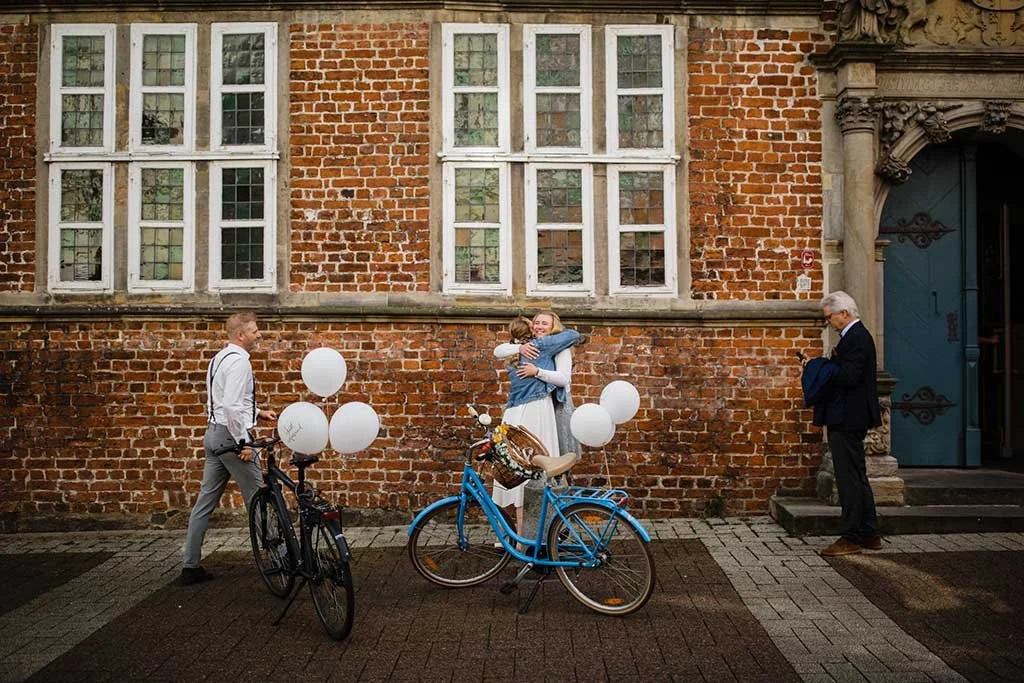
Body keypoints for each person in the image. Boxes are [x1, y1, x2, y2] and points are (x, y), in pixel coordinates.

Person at [178, 312, 277, 585]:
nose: (260, 335)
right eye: (255, 331)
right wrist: (243, 441)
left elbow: (224, 401)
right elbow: (232, 407)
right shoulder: (240, 364)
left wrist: (257, 413)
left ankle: (190, 566)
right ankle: (282, 559)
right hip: (230, 439)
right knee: (257, 498)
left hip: (213, 435)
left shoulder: (219, 358)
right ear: (241, 335)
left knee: (204, 504)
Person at [800, 291, 883, 557]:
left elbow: (848, 377)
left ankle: (851, 536)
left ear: (844, 314)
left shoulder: (856, 339)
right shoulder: (853, 338)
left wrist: (816, 367)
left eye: (830, 318)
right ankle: (869, 532)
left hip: (847, 417)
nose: (829, 323)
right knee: (857, 475)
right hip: (849, 415)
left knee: (848, 478)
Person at [492, 313, 580, 535]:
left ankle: (532, 532)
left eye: (545, 323)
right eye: (537, 322)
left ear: (553, 327)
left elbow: (564, 379)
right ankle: (515, 532)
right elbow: (498, 350)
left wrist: (536, 371)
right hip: (515, 409)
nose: (540, 326)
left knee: (534, 463)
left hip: (538, 409)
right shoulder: (523, 346)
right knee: (512, 465)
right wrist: (519, 349)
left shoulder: (555, 346)